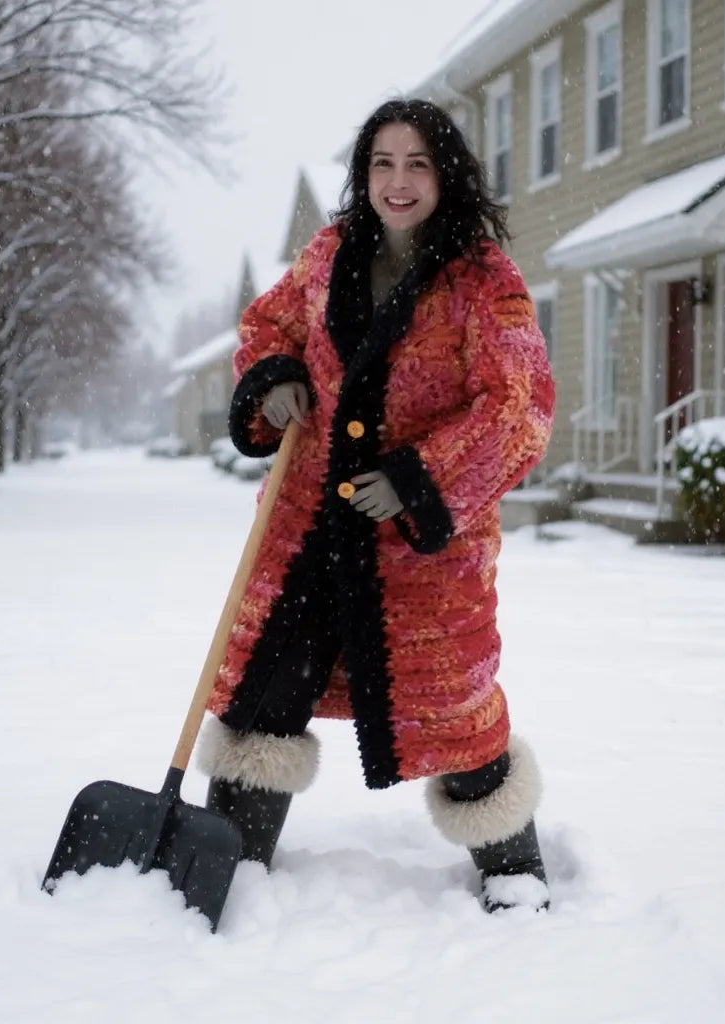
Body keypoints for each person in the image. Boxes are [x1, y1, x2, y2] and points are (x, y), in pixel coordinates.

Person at [197, 97, 556, 913]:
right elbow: (266, 326)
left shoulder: (482, 281)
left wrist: (419, 478)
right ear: (363, 175)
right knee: (264, 690)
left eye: (417, 164)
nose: (398, 181)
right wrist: (276, 377)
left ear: (445, 175)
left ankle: (513, 873)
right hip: (306, 530)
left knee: (454, 710)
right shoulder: (327, 257)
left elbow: (521, 406)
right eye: (382, 163)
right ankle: (227, 862)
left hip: (421, 552)